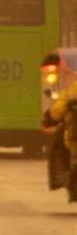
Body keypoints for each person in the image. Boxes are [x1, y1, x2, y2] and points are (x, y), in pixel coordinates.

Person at [42, 74, 77, 202]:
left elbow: (56, 112)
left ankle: (60, 176)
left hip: (72, 139)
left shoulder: (72, 90)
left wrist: (48, 118)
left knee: (57, 144)